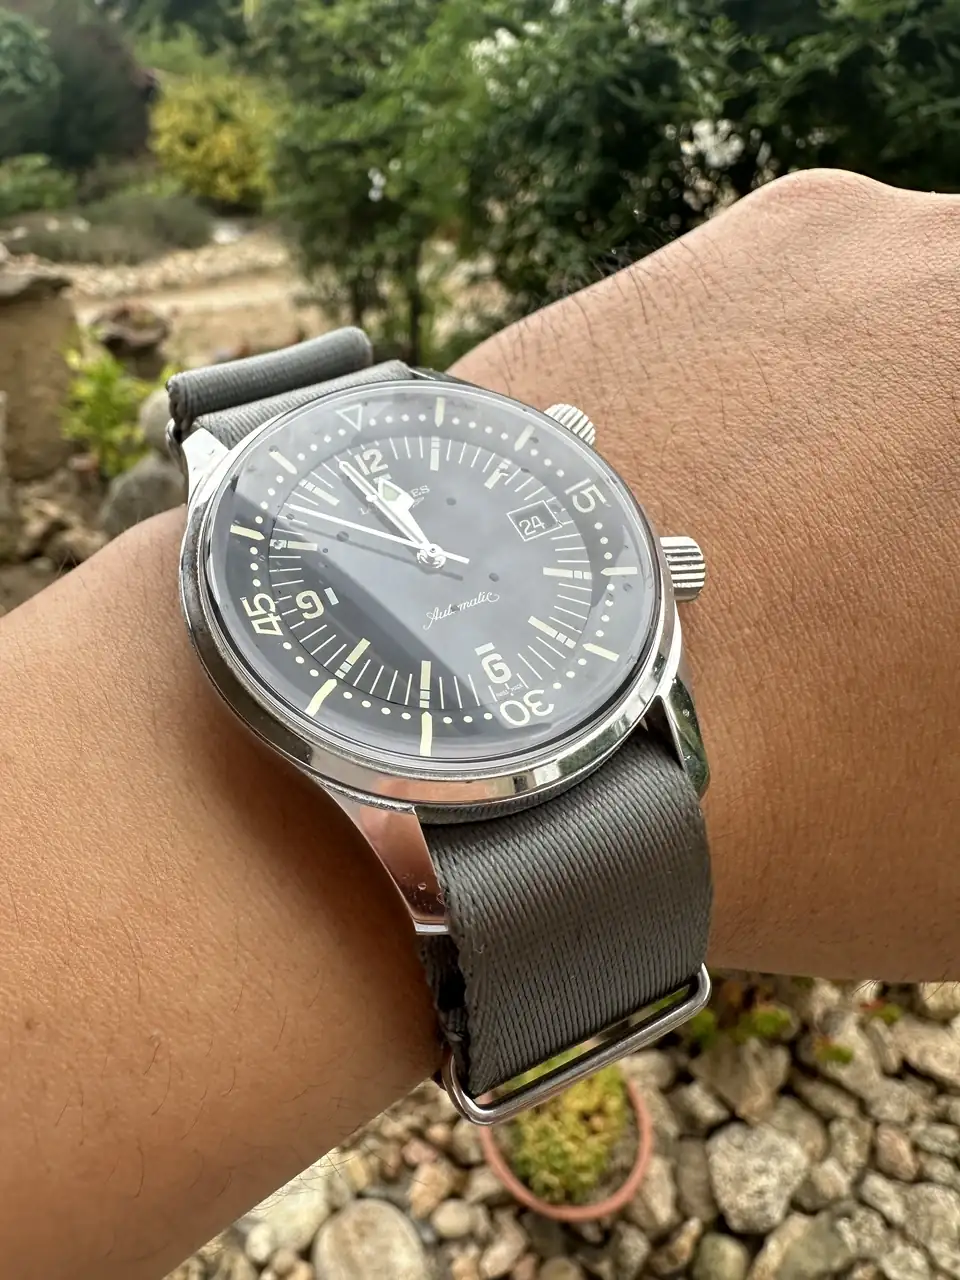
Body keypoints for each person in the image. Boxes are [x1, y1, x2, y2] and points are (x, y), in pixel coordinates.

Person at [0, 168, 957, 1279]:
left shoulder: (614, 588)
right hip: (413, 778)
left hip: (580, 716)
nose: (434, 560)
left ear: (667, 563)